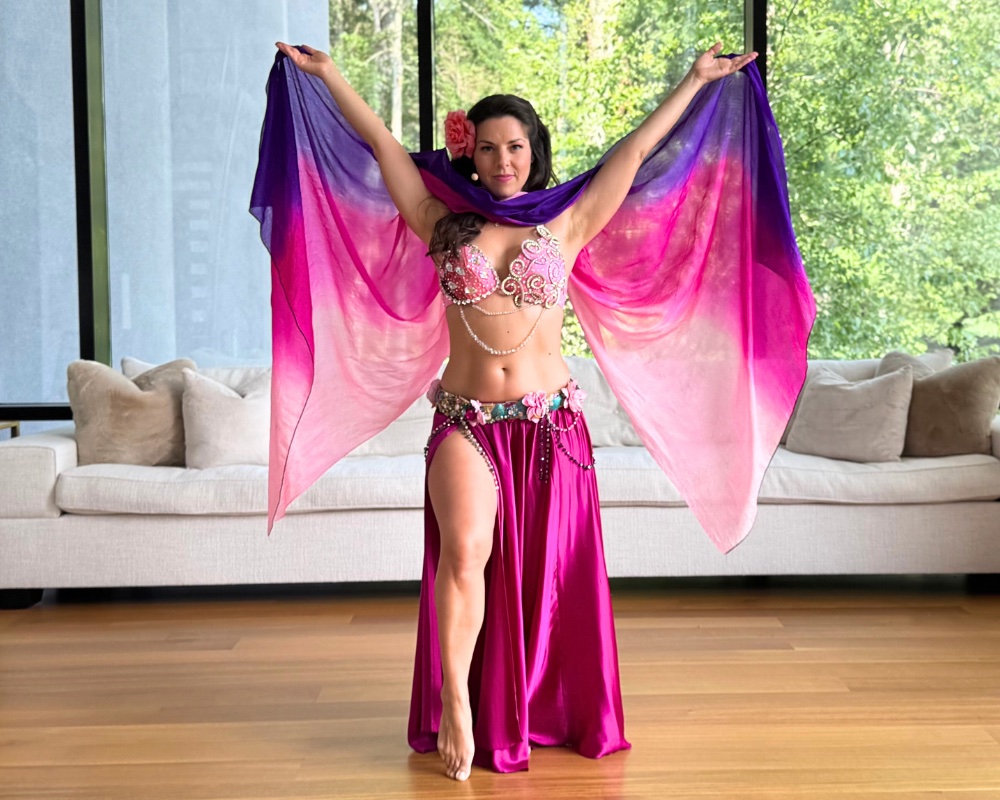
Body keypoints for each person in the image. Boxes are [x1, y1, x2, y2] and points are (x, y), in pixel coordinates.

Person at [273, 39, 758, 782]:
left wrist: (695, 80)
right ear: (471, 155)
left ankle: (536, 702)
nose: (503, 160)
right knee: (466, 551)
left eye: (516, 147)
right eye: (490, 148)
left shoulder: (567, 223)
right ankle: (457, 700)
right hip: (466, 421)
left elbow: (635, 153)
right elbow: (382, 146)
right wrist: (329, 74)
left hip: (550, 427)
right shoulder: (441, 224)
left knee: (550, 579)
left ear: (534, 152)